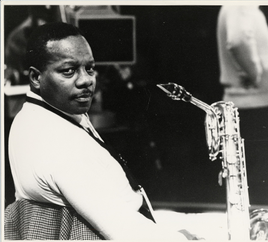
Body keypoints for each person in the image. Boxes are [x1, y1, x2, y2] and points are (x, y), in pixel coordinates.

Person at [6, 22, 202, 240]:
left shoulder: (36, 115)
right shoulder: (57, 142)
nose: (86, 80)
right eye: (68, 71)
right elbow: (124, 230)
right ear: (35, 78)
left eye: (89, 68)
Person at [216, 5, 268, 204]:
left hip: (254, 103)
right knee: (255, 183)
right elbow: (237, 41)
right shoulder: (240, 4)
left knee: (251, 180)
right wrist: (255, 75)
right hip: (253, 105)